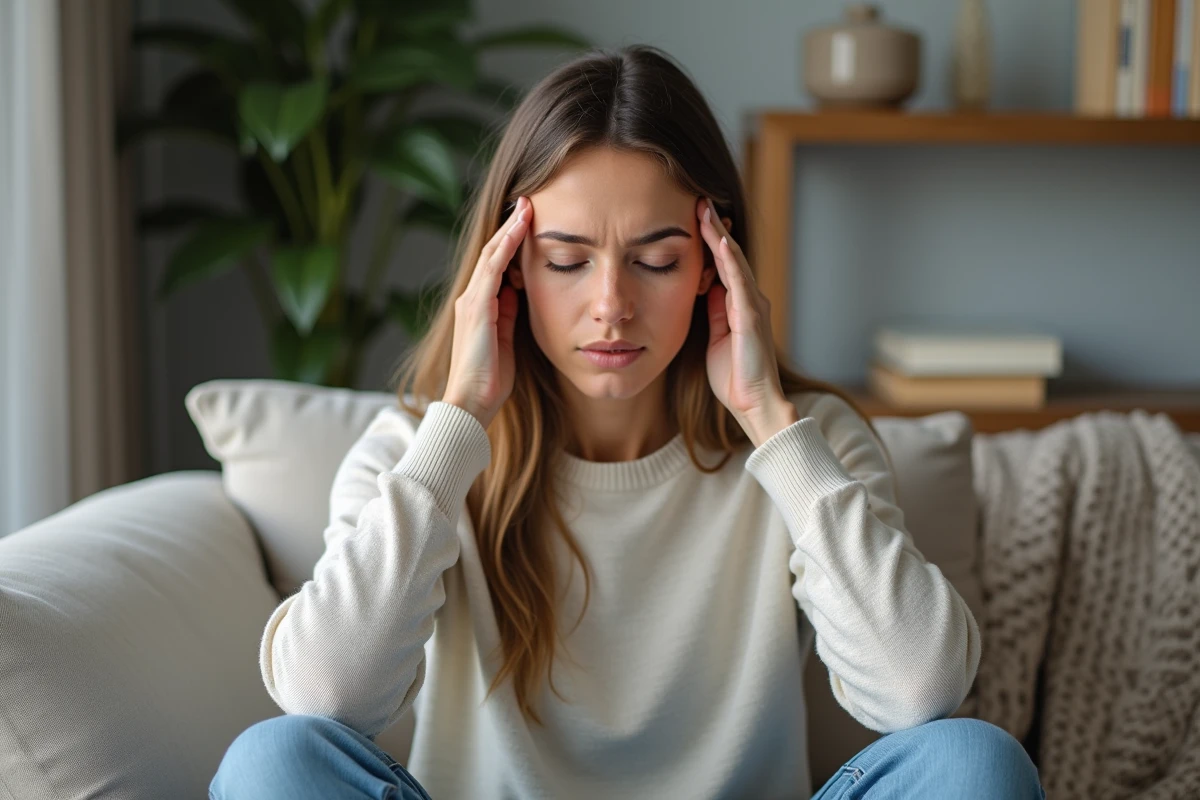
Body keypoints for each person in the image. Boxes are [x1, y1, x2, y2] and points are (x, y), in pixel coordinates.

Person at [209, 43, 1045, 800]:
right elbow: (322, 698)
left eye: (656, 260)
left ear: (718, 267)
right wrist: (458, 422)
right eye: (566, 261)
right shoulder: (420, 452)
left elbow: (921, 690)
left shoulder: (805, 439)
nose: (611, 306)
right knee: (270, 765)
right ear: (509, 274)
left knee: (973, 764)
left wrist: (769, 425)